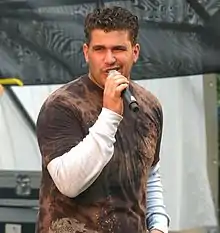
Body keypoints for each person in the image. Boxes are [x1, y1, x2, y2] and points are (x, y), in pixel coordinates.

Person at [36, 6, 170, 233]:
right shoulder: (61, 105)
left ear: (135, 52)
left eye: (118, 49)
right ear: (86, 52)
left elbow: (150, 175)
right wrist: (109, 115)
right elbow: (69, 183)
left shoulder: (149, 106)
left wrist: (158, 224)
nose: (109, 59)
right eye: (100, 49)